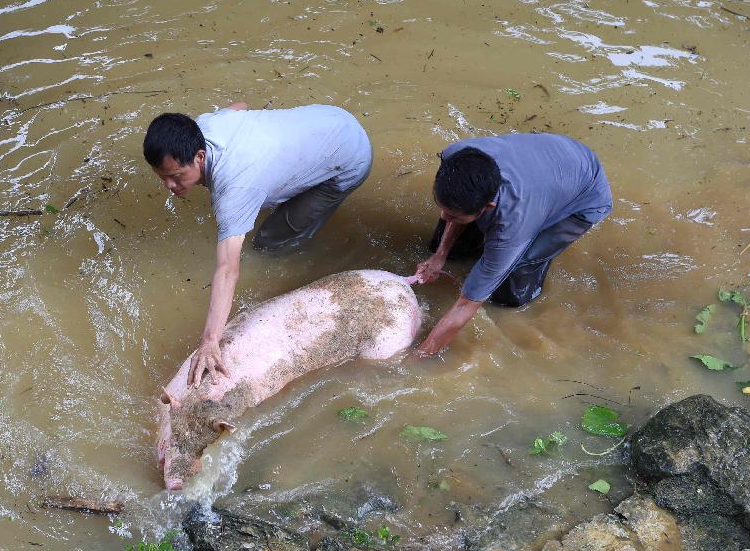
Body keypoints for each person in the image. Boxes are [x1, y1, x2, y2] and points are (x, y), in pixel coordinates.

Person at [143, 103, 372, 386]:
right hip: (331, 118)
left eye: (175, 176)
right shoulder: (203, 126)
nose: (168, 185)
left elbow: (228, 269)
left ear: (199, 156)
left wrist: (210, 341)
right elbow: (240, 107)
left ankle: (292, 239)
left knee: (268, 241)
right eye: (161, 177)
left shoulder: (235, 190)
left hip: (350, 159)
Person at [413, 133, 612, 357]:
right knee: (453, 243)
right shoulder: (456, 157)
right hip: (550, 162)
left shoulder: (512, 225)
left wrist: (420, 355)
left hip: (583, 193)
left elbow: (465, 305)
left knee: (510, 283)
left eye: (453, 214)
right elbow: (455, 209)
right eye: (442, 206)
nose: (443, 215)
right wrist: (441, 254)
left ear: (487, 207)